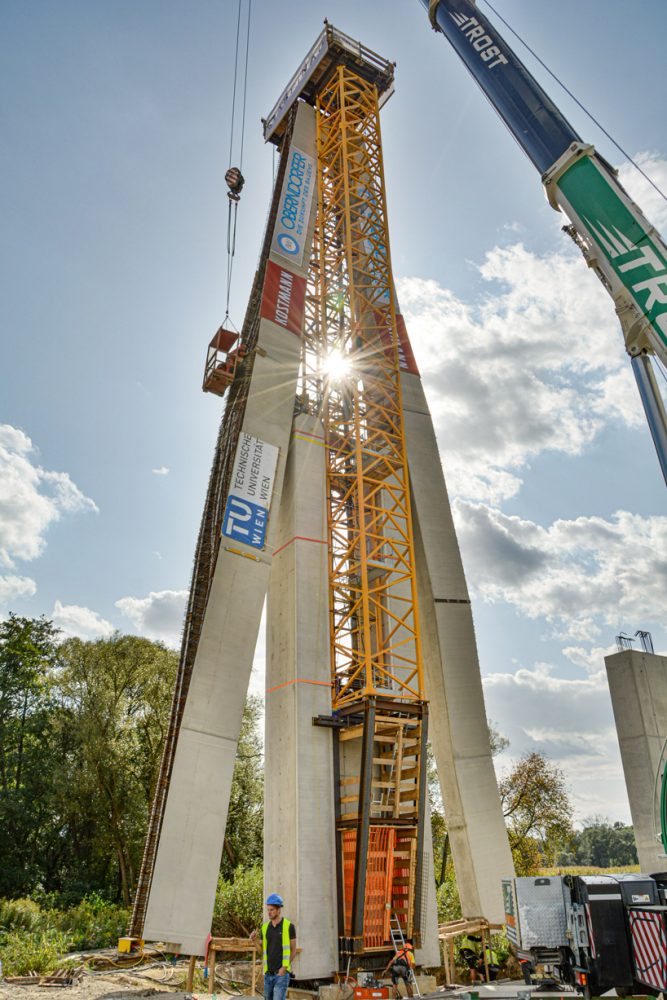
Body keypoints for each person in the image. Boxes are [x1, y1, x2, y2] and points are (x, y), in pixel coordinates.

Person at [250, 893, 297, 1000]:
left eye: (272, 910)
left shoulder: (289, 926)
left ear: (279, 910)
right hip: (268, 974)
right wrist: (254, 941)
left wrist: (284, 968)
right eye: (268, 910)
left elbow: (293, 950)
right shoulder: (265, 927)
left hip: (281, 974)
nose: (269, 913)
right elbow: (262, 951)